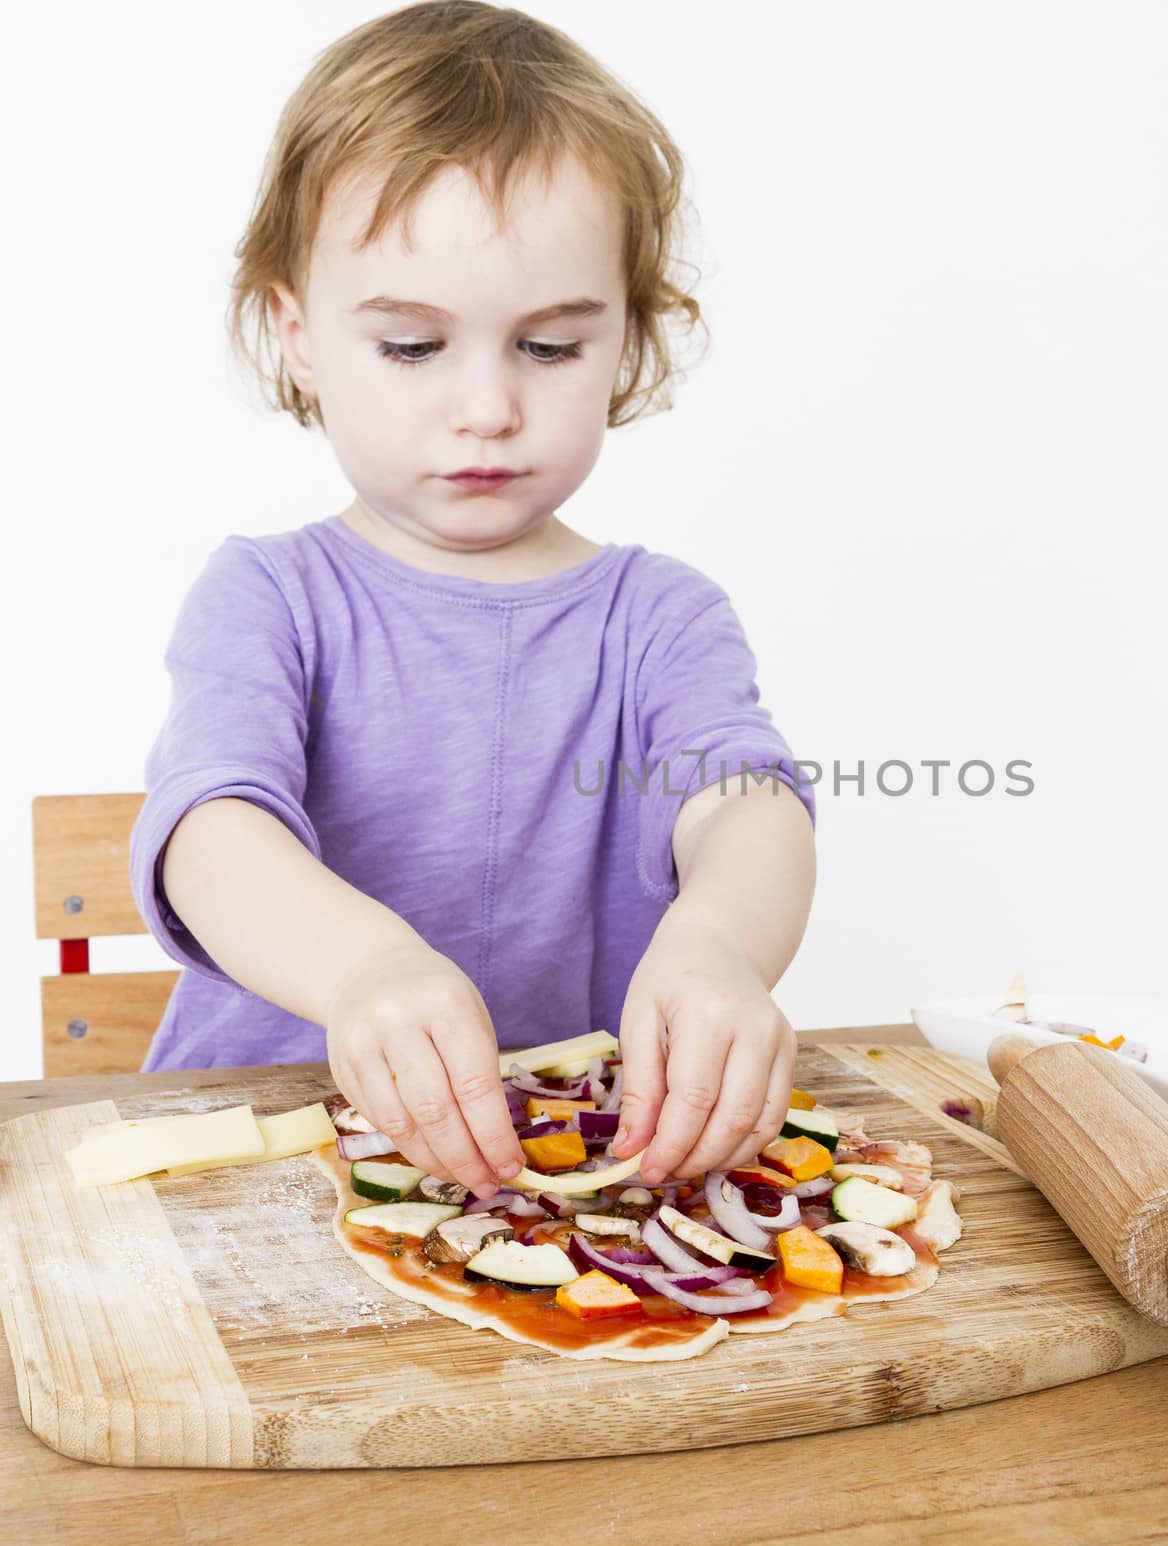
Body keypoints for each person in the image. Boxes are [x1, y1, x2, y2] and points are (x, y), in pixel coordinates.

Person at [129, 2, 817, 1204]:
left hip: (557, 1188)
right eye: (411, 346)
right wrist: (362, 969)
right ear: (299, 334)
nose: (487, 407)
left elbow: (743, 803)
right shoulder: (269, 595)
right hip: (252, 1175)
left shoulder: (659, 617)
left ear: (627, 341)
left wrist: (717, 947)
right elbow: (209, 831)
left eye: (549, 348)